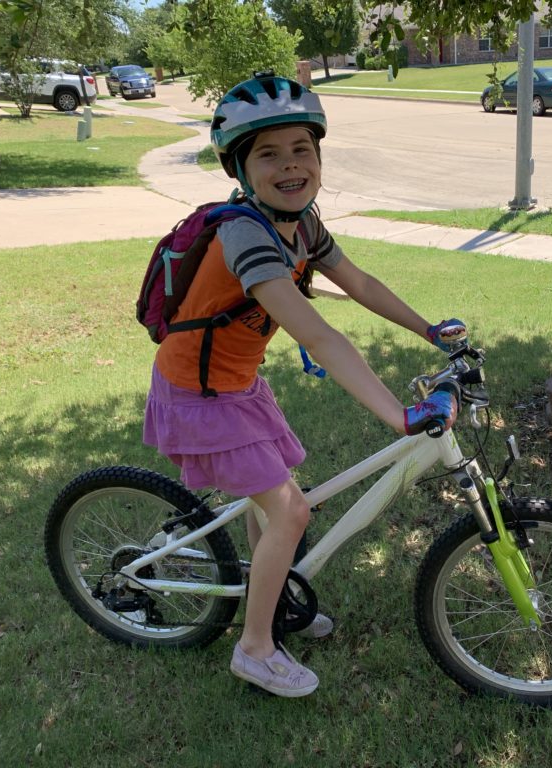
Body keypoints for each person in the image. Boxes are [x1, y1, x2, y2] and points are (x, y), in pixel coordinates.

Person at [143, 72, 465, 698]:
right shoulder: (245, 233)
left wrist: (429, 331)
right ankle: (255, 648)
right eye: (268, 153)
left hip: (237, 383)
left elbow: (359, 283)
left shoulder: (301, 222)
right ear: (239, 167)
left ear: (318, 157)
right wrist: (400, 416)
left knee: (282, 501)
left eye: (301, 150)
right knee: (289, 508)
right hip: (200, 394)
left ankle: (272, 601)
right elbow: (319, 335)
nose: (289, 165)